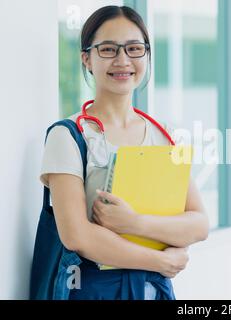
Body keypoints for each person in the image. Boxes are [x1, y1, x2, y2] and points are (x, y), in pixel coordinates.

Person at [32, 5, 208, 300]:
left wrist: (134, 223)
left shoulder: (163, 135)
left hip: (154, 291)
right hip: (91, 291)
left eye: (134, 49)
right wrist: (159, 260)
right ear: (86, 58)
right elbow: (77, 235)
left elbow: (199, 224)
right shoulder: (69, 136)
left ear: (147, 56)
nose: (123, 60)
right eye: (109, 49)